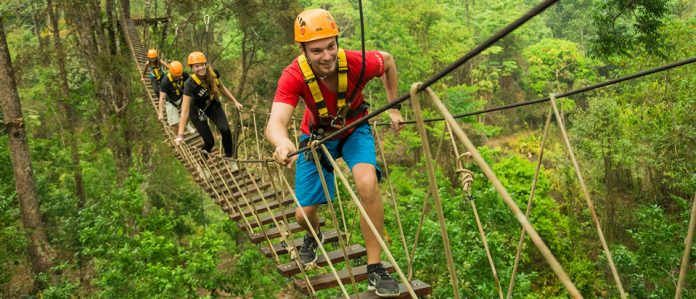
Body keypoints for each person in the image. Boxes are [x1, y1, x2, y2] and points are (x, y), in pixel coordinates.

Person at [265, 8, 404, 297]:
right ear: (302, 49)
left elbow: (388, 61)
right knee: (303, 215)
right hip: (316, 139)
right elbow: (274, 123)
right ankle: (313, 234)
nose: (327, 56)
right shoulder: (293, 75)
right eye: (317, 50)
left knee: (367, 183)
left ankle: (375, 267)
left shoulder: (355, 62)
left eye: (331, 46)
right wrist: (282, 143)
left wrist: (394, 107)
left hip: (355, 128)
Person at [174, 51, 243, 161]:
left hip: (212, 105)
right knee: (209, 142)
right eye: (197, 66)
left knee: (225, 129)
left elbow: (222, 88)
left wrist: (235, 101)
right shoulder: (189, 84)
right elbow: (185, 111)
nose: (200, 68)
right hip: (196, 112)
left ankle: (230, 158)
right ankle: (203, 161)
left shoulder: (213, 73)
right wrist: (180, 135)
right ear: (192, 68)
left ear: (206, 64)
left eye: (202, 65)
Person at [157, 60, 193, 133]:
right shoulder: (165, 81)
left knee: (190, 111)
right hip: (170, 101)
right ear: (171, 73)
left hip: (182, 97)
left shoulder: (183, 74)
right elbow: (161, 98)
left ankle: (186, 124)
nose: (178, 77)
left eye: (180, 75)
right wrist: (160, 113)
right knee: (174, 123)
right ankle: (177, 138)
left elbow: (191, 81)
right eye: (176, 76)